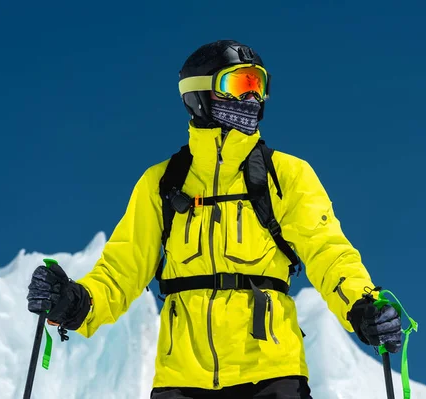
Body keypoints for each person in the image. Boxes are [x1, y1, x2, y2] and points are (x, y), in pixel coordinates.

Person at [27, 39, 402, 399]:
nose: (252, 97)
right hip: (182, 381)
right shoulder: (162, 183)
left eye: (259, 85)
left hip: (271, 375)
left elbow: (328, 252)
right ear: (200, 95)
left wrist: (362, 304)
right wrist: (76, 302)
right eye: (240, 83)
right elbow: (122, 269)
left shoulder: (286, 175)